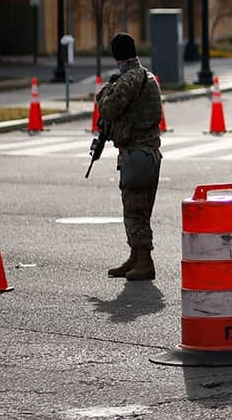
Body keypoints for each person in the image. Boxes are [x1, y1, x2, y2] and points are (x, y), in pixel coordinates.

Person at [98, 32, 163, 281]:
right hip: (149, 154)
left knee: (135, 211)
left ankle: (144, 262)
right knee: (139, 210)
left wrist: (104, 91)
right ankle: (136, 257)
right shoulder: (147, 76)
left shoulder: (128, 80)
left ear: (116, 55)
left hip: (137, 154)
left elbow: (108, 108)